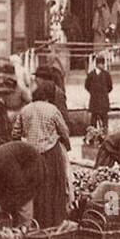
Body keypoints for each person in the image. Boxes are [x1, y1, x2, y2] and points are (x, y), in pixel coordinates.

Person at [13, 85, 72, 227]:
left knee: (36, 187)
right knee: (53, 186)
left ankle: (38, 221)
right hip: (51, 154)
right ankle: (53, 221)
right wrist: (67, 146)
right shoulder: (52, 109)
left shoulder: (25, 110)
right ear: (46, 98)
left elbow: (15, 134)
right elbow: (64, 131)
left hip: (31, 154)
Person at [85, 54, 112, 134]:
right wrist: (93, 93)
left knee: (104, 121)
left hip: (104, 101)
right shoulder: (91, 75)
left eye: (103, 64)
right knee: (93, 121)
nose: (103, 65)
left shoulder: (106, 75)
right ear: (97, 64)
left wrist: (104, 93)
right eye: (102, 64)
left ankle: (104, 135)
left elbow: (110, 87)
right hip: (94, 101)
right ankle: (93, 136)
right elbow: (87, 86)